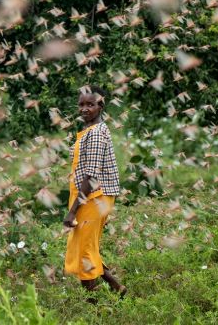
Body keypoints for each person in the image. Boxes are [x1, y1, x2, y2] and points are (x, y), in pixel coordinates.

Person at [63, 85, 127, 302]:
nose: (84, 109)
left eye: (90, 104)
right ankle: (117, 288)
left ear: (101, 105)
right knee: (87, 247)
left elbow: (91, 177)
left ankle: (94, 308)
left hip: (95, 197)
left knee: (84, 252)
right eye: (81, 104)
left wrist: (72, 212)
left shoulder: (97, 134)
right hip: (90, 197)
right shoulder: (89, 131)